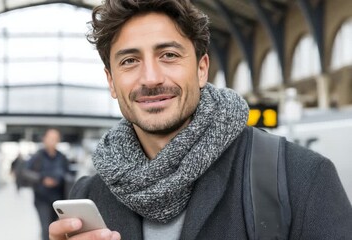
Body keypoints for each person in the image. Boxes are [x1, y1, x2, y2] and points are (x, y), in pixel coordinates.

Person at [49, 0, 352, 239]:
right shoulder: (90, 194)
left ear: (202, 68)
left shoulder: (300, 177)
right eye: (129, 61)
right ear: (112, 82)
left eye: (168, 55)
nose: (151, 78)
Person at [23, 128, 71, 240]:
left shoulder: (62, 157)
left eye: (55, 138)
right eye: (50, 138)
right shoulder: (38, 156)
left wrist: (61, 178)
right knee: (46, 227)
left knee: (56, 226)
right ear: (44, 139)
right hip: (42, 198)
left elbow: (68, 173)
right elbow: (25, 172)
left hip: (58, 199)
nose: (53, 141)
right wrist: (42, 179)